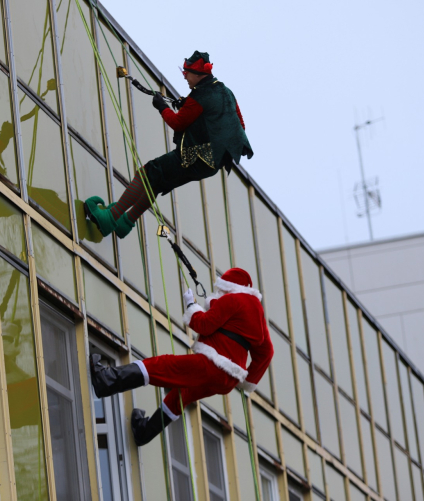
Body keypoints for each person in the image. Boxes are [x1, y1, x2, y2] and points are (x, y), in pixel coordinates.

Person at [90, 268, 273, 446]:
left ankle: (106, 380)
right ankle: (144, 432)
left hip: (212, 364)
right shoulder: (258, 314)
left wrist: (191, 306)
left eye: (221, 288)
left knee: (162, 365)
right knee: (182, 394)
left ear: (230, 286)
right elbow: (266, 352)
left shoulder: (233, 299)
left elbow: (204, 325)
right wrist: (246, 380)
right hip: (229, 379)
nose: (219, 292)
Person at [84, 50, 253, 239]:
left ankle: (110, 217)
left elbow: (177, 123)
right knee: (156, 183)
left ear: (198, 74)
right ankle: (126, 222)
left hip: (196, 157)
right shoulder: (225, 92)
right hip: (212, 164)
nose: (185, 78)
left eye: (186, 73)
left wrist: (162, 107)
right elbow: (239, 125)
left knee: (148, 172)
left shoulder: (201, 96)